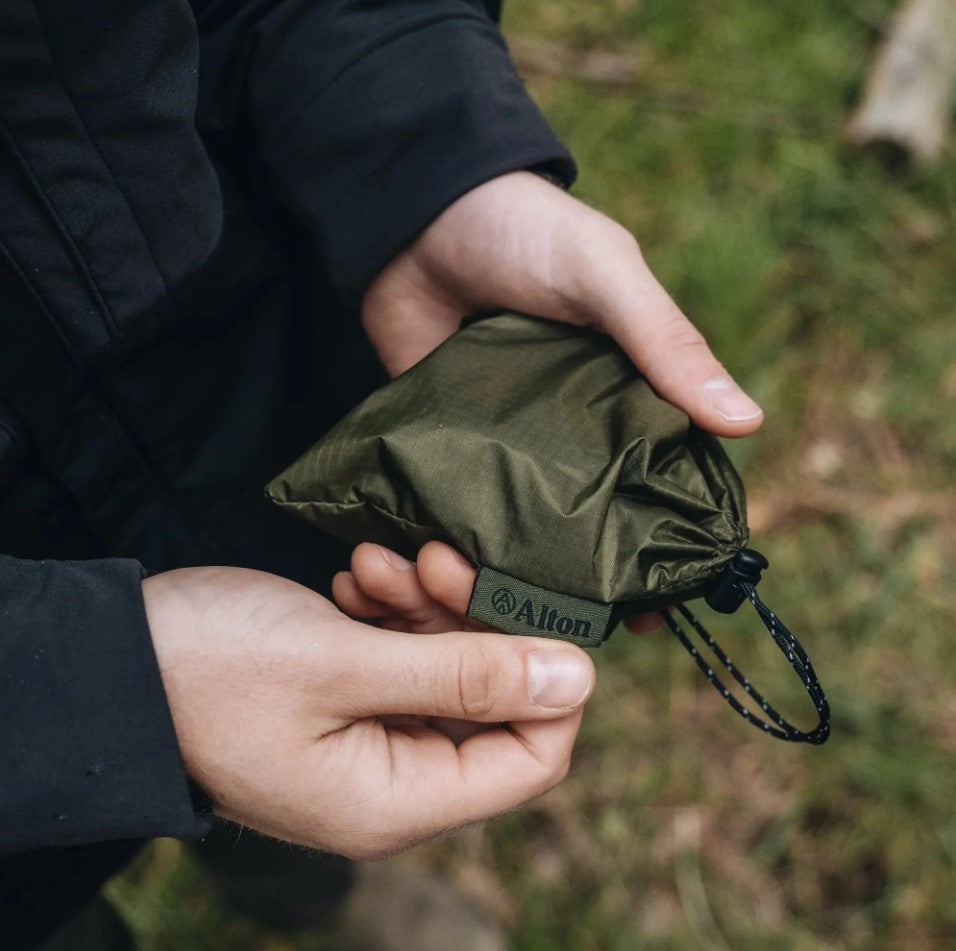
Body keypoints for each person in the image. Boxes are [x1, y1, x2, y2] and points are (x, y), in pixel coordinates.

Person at [0, 0, 764, 946]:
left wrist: (434, 162)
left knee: (318, 673)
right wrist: (92, 688)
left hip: (250, 354)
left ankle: (308, 890)